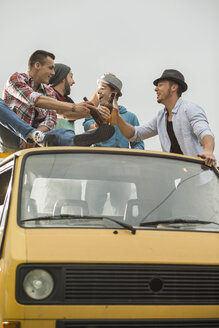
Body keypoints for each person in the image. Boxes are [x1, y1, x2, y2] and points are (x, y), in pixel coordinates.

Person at [0, 50, 114, 152]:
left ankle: (84, 138)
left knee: (61, 133)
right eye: (50, 68)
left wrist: (35, 137)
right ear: (37, 65)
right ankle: (31, 134)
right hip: (11, 138)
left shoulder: (49, 91)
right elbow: (34, 99)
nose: (53, 73)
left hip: (37, 141)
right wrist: (73, 107)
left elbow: (50, 120)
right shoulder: (16, 79)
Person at [105, 69, 216, 167]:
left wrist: (208, 151)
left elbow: (204, 132)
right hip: (178, 176)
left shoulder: (190, 109)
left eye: (160, 85)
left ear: (173, 87)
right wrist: (117, 117)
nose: (156, 89)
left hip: (199, 175)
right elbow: (135, 134)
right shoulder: (161, 117)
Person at [83, 74, 144, 216]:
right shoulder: (92, 114)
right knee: (91, 212)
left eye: (102, 88)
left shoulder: (130, 117)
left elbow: (138, 144)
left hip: (122, 173)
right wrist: (99, 119)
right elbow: (88, 128)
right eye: (98, 89)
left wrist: (131, 157)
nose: (98, 92)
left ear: (114, 93)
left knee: (122, 212)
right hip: (97, 172)